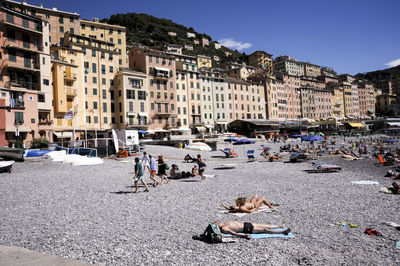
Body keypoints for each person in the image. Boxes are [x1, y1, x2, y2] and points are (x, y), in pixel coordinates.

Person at [214, 221, 290, 239]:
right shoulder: (224, 228)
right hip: (246, 229)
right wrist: (244, 236)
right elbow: (233, 233)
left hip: (246, 223)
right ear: (216, 225)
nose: (218, 221)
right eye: (216, 222)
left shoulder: (225, 223)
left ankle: (280, 225)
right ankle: (282, 232)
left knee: (263, 225)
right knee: (265, 229)